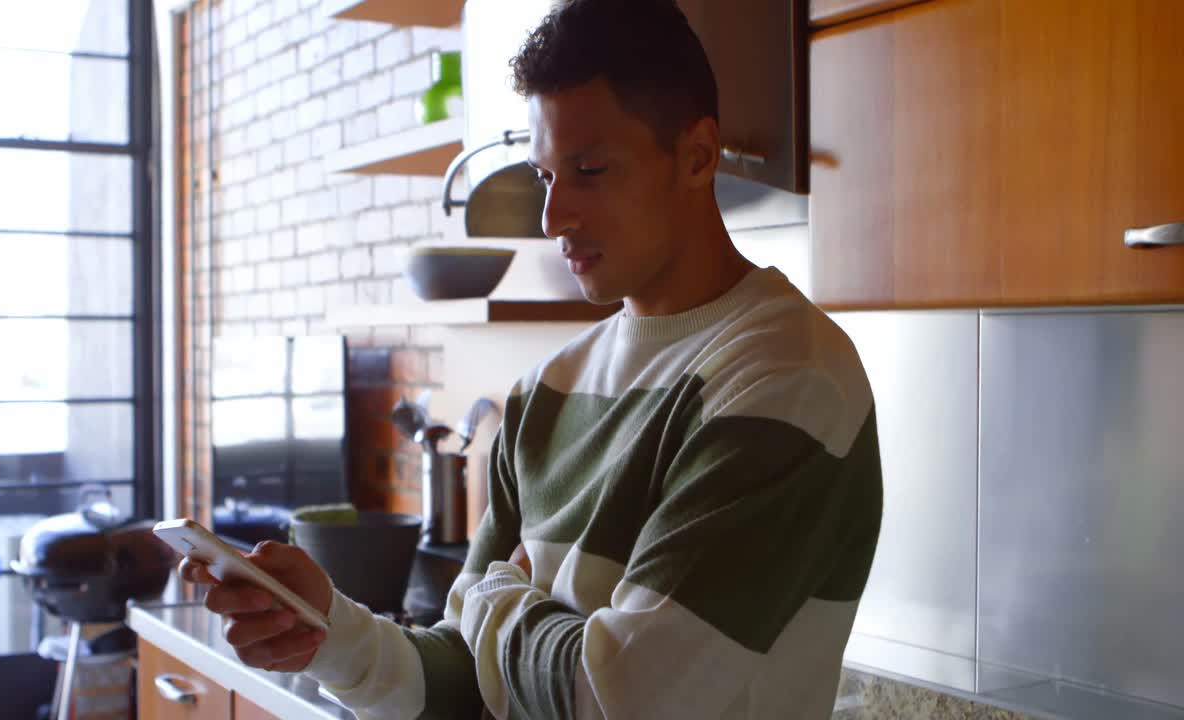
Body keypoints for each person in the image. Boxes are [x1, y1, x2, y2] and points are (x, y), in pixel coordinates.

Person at [180, 0, 884, 717]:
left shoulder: (786, 380)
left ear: (698, 155)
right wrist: (329, 631)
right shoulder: (545, 393)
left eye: (590, 170)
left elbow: (626, 701)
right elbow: (463, 678)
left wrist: (498, 601)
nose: (553, 219)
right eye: (547, 178)